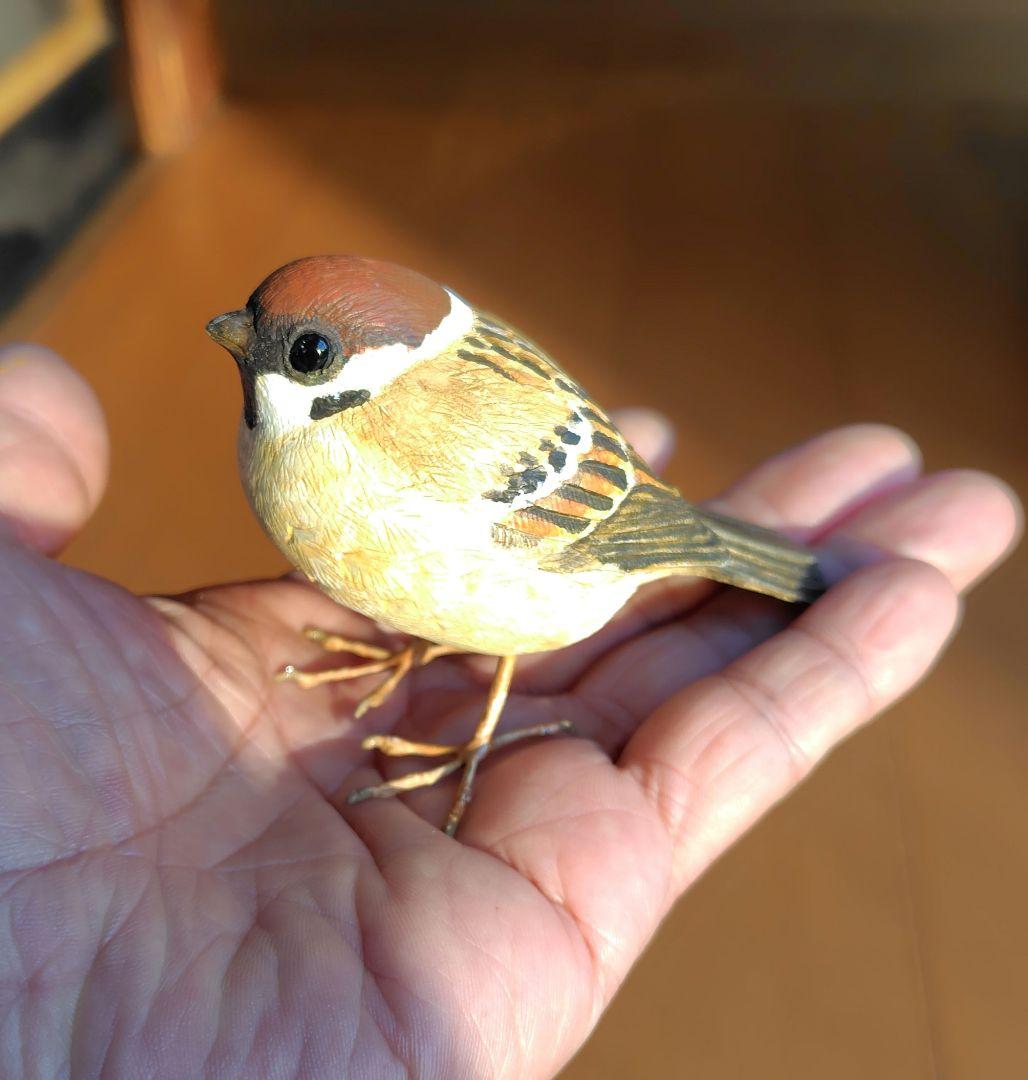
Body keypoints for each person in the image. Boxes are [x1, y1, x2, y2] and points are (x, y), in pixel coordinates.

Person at [0, 343, 1019, 1078]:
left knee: (502, 622)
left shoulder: (427, 434)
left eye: (297, 352)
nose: (243, 343)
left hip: (573, 564)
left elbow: (589, 507)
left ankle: (481, 727)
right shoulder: (296, 448)